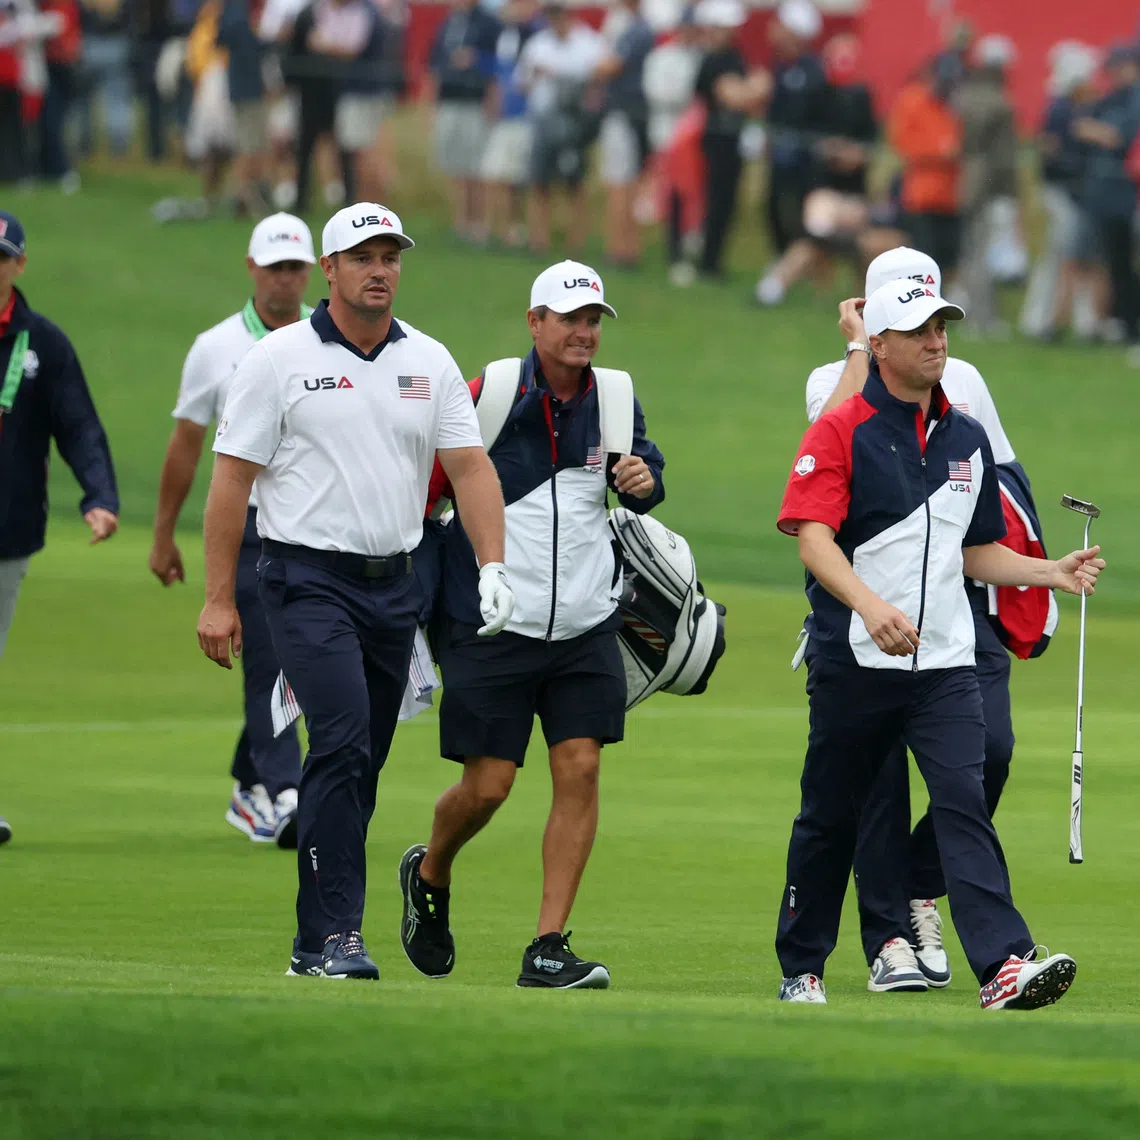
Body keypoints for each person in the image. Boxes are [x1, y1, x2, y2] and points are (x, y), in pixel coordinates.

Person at [198, 203, 513, 980]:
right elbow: (232, 480)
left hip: (393, 589)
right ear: (328, 270)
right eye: (362, 256)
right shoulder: (277, 359)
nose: (380, 270)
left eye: (390, 256)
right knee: (338, 743)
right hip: (305, 580)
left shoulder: (429, 361)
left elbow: (470, 468)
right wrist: (217, 597)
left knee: (359, 762)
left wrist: (495, 564)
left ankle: (314, 939)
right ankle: (337, 936)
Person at [774, 276, 1104, 1009]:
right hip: (856, 659)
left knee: (962, 800)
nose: (937, 341)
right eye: (921, 330)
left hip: (946, 659)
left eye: (943, 327)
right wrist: (869, 606)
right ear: (880, 346)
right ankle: (802, 966)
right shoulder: (841, 429)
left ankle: (1004, 965)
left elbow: (974, 550)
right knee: (830, 816)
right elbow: (813, 540)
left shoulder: (966, 436)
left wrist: (1047, 572)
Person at [399, 260, 665, 989]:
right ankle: (430, 869)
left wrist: (644, 481)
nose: (584, 332)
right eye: (570, 319)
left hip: (584, 622)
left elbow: (645, 477)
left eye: (593, 320)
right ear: (535, 323)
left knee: (580, 767)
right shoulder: (488, 393)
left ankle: (548, 944)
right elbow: (426, 498)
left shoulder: (614, 398)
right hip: (490, 622)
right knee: (488, 787)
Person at [151, 214, 317, 848]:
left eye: (295, 266)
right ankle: (285, 790)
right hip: (246, 527)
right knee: (270, 659)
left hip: (309, 526)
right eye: (274, 266)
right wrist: (164, 534)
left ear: (312, 271)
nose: (285, 278)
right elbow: (186, 447)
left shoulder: (322, 341)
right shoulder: (216, 347)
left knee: (304, 655)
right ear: (251, 268)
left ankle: (250, 779)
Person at [0, 209, 119, 841]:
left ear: (19, 265)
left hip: (7, 532)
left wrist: (98, 495)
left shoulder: (42, 343)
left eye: (1, 258)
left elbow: (78, 426)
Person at [756, 32, 876, 305]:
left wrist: (855, 154)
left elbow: (869, 146)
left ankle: (861, 301)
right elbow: (809, 139)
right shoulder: (817, 95)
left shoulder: (863, 97)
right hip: (824, 188)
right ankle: (775, 286)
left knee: (861, 241)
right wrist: (829, 150)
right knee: (817, 232)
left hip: (853, 193)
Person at [1019, 43, 1105, 342]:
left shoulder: (1068, 109)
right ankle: (1039, 321)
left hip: (1068, 195)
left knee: (1070, 258)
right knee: (1058, 258)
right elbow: (1057, 158)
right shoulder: (1063, 111)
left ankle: (1070, 321)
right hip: (1062, 195)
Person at [516, 1, 606, 256]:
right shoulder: (537, 44)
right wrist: (536, 75)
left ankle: (575, 244)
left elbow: (597, 82)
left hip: (576, 123)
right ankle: (539, 241)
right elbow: (521, 83)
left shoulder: (590, 42)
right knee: (539, 181)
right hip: (543, 120)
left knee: (574, 184)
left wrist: (560, 75)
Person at [1072, 42, 1140, 362]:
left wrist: (1097, 132)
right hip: (1105, 193)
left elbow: (1118, 137)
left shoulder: (1134, 97)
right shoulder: (1111, 98)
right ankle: (1124, 324)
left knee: (1128, 262)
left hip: (1128, 193)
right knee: (1114, 263)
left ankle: (1131, 324)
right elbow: (1082, 129)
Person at [692, 0, 767, 279]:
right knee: (715, 201)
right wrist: (757, 87)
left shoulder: (729, 56)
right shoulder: (716, 59)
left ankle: (712, 260)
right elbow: (736, 97)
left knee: (725, 203)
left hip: (729, 140)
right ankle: (708, 263)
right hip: (717, 141)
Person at [954, 34, 1020, 336]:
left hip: (967, 179)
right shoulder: (996, 101)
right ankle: (981, 318)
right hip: (986, 184)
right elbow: (1002, 156)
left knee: (974, 251)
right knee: (980, 253)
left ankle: (973, 313)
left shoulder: (965, 94)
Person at [758, 0, 827, 269]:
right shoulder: (779, 66)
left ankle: (800, 264)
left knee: (801, 210)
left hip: (804, 157)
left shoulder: (812, 70)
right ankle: (782, 257)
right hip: (779, 152)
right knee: (773, 206)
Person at [427, 0, 500, 242]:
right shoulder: (449, 22)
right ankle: (460, 221)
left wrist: (476, 61)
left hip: (474, 102)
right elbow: (434, 63)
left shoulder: (489, 23)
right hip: (450, 99)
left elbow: (498, 65)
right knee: (456, 165)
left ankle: (479, 224)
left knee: (476, 166)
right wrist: (432, 103)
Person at [887, 59, 962, 279]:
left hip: (951, 195)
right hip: (922, 195)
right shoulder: (913, 101)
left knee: (949, 258)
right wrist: (939, 152)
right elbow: (902, 144)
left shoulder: (954, 105)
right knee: (924, 258)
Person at [594, 0, 654, 266]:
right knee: (625, 182)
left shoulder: (635, 30)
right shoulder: (635, 27)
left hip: (624, 114)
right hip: (632, 115)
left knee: (620, 183)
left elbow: (610, 66)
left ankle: (621, 249)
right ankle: (625, 247)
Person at [478, 0, 539, 248]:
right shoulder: (505, 34)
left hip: (524, 117)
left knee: (515, 177)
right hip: (504, 116)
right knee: (495, 173)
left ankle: (514, 229)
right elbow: (497, 72)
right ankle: (499, 227)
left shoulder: (536, 36)